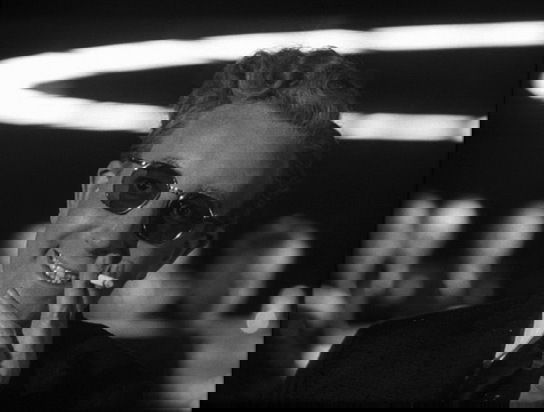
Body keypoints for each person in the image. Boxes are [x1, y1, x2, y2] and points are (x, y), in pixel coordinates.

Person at [0, 47, 360, 410]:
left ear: (184, 249)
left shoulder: (96, 384)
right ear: (105, 177)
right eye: (144, 184)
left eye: (186, 213)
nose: (118, 231)